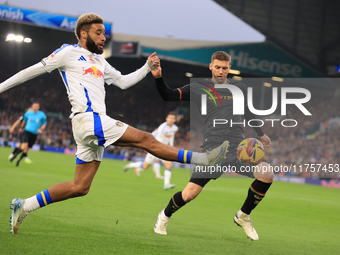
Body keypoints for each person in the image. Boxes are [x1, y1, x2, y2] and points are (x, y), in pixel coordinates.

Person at [0, 13, 229, 234]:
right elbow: (27, 72)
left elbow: (122, 82)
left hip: (90, 124)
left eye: (104, 33)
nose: (103, 38)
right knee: (147, 139)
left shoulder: (100, 60)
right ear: (83, 34)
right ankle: (204, 158)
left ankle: (24, 205)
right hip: (89, 119)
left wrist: (147, 68)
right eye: (98, 33)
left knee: (80, 187)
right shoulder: (68, 53)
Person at [151, 51, 274, 241]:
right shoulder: (198, 87)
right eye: (217, 67)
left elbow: (248, 111)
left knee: (266, 173)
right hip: (213, 149)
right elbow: (169, 95)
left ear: (229, 68)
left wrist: (261, 134)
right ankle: (164, 216)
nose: (221, 71)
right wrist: (158, 78)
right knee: (190, 193)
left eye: (225, 68)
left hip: (238, 148)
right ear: (211, 67)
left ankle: (243, 216)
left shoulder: (238, 87)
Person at [124, 112, 178, 190]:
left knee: (169, 165)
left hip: (164, 149)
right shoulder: (163, 127)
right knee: (145, 166)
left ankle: (166, 184)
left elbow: (171, 136)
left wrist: (171, 147)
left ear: (175, 120)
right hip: (155, 148)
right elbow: (159, 140)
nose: (171, 120)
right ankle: (131, 165)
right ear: (166, 119)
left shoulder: (175, 128)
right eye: (170, 118)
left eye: (173, 118)